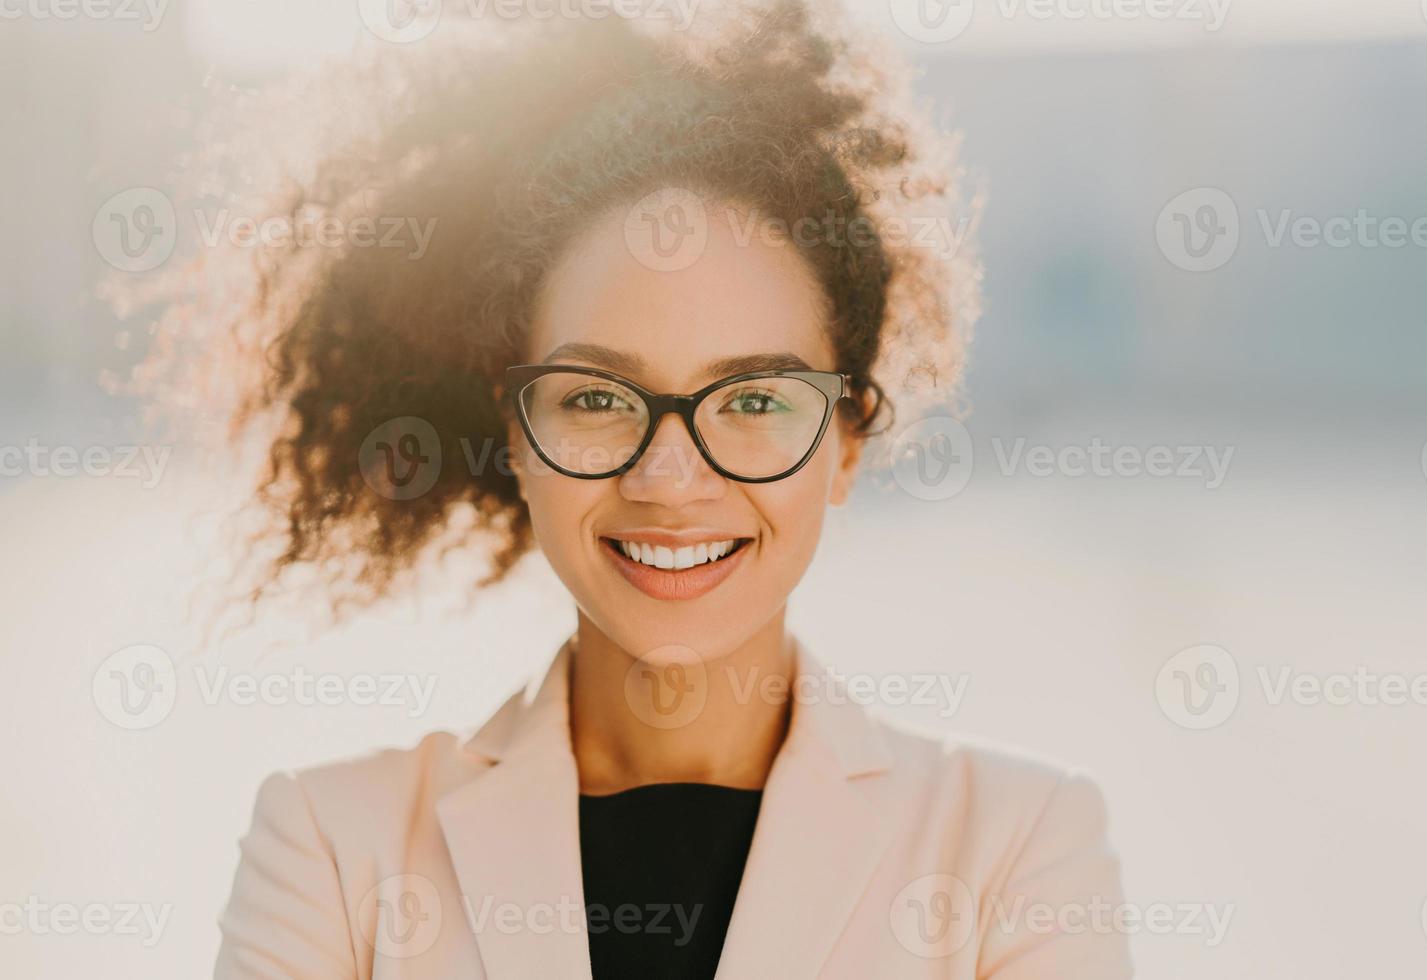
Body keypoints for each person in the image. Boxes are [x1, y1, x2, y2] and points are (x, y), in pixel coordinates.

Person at [185, 2, 1131, 976]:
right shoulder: (331, 850)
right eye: (597, 396)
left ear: (845, 441)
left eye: (754, 400)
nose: (669, 478)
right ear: (516, 434)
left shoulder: (1015, 848)